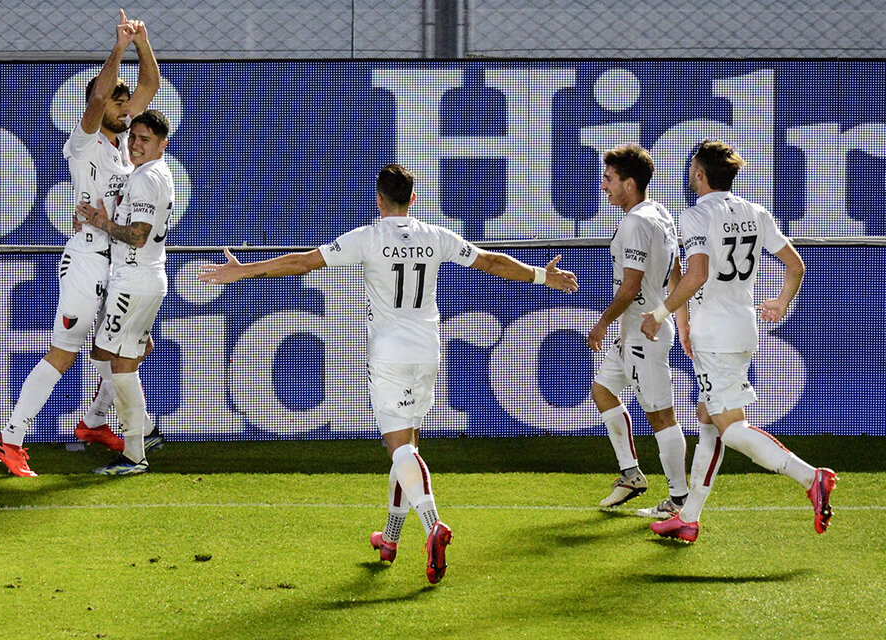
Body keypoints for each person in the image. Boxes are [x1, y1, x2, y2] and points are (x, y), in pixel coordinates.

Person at [198, 163, 579, 583]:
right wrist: (543, 275)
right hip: (428, 352)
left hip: (389, 355)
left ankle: (433, 525)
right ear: (413, 199)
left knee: (399, 449)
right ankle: (391, 538)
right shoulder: (435, 236)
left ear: (379, 199)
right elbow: (491, 262)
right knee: (408, 447)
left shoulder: (367, 237)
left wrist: (243, 271)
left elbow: (303, 263)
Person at [0, 10, 161, 477]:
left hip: (119, 260)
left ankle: (93, 422)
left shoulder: (126, 146)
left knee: (129, 349)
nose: (126, 109)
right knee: (65, 350)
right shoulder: (83, 141)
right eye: (118, 104)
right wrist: (118, 48)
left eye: (128, 104)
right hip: (87, 257)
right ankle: (10, 438)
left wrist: (141, 42)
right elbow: (102, 93)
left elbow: (153, 82)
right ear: (96, 106)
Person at [641, 139, 837, 542]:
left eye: (692, 167)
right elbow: (795, 266)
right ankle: (688, 517)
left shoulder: (695, 216)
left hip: (715, 333)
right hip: (743, 328)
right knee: (708, 420)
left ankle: (811, 477)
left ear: (699, 174)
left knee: (731, 427)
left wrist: (660, 315)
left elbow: (695, 275)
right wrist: (781, 303)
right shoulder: (755, 211)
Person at [588, 144, 690, 519]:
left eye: (609, 179)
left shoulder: (635, 222)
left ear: (629, 183)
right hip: (641, 329)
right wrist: (679, 319)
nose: (604, 186)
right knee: (602, 390)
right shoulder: (660, 213)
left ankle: (679, 500)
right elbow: (677, 268)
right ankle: (631, 474)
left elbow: (630, 286)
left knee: (661, 415)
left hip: (641, 334)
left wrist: (601, 323)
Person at [75, 109, 174, 474]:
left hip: (134, 281)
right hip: (139, 279)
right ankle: (141, 432)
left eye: (145, 140)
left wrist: (102, 222)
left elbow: (138, 234)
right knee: (107, 353)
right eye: (133, 137)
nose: (135, 144)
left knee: (119, 364)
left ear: (163, 145)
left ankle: (135, 450)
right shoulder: (150, 174)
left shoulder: (147, 179)